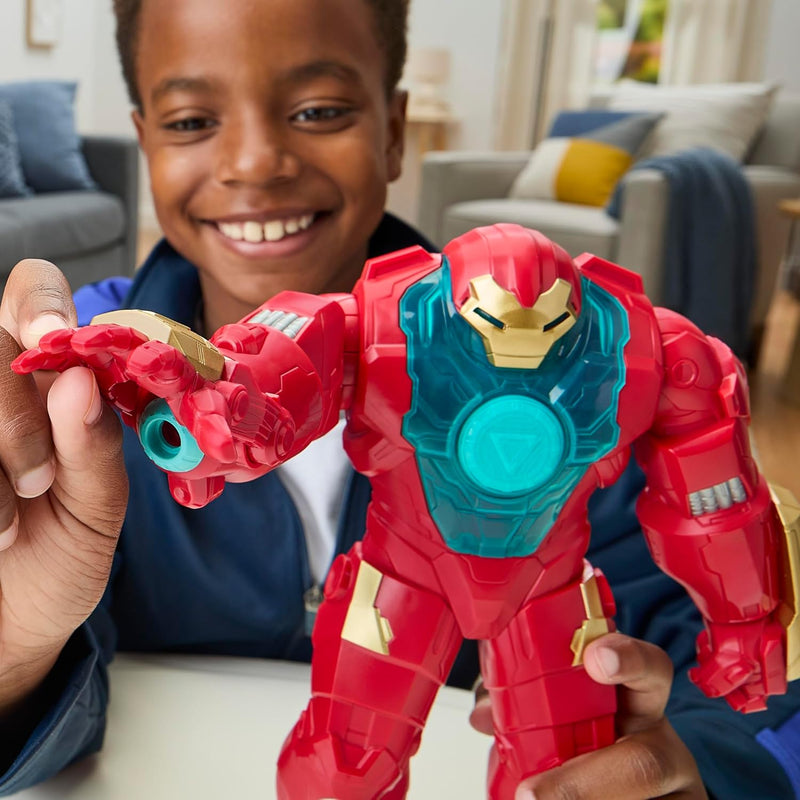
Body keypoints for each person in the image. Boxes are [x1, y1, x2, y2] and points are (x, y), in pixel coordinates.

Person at [0, 0, 797, 797]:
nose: (255, 163)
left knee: (567, 760)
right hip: (391, 598)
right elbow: (255, 399)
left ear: (392, 131)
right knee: (346, 762)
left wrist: (715, 740)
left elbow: (721, 527)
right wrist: (13, 648)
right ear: (144, 141)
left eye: (319, 110)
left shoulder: (617, 363)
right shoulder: (95, 392)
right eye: (191, 121)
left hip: (550, 597)